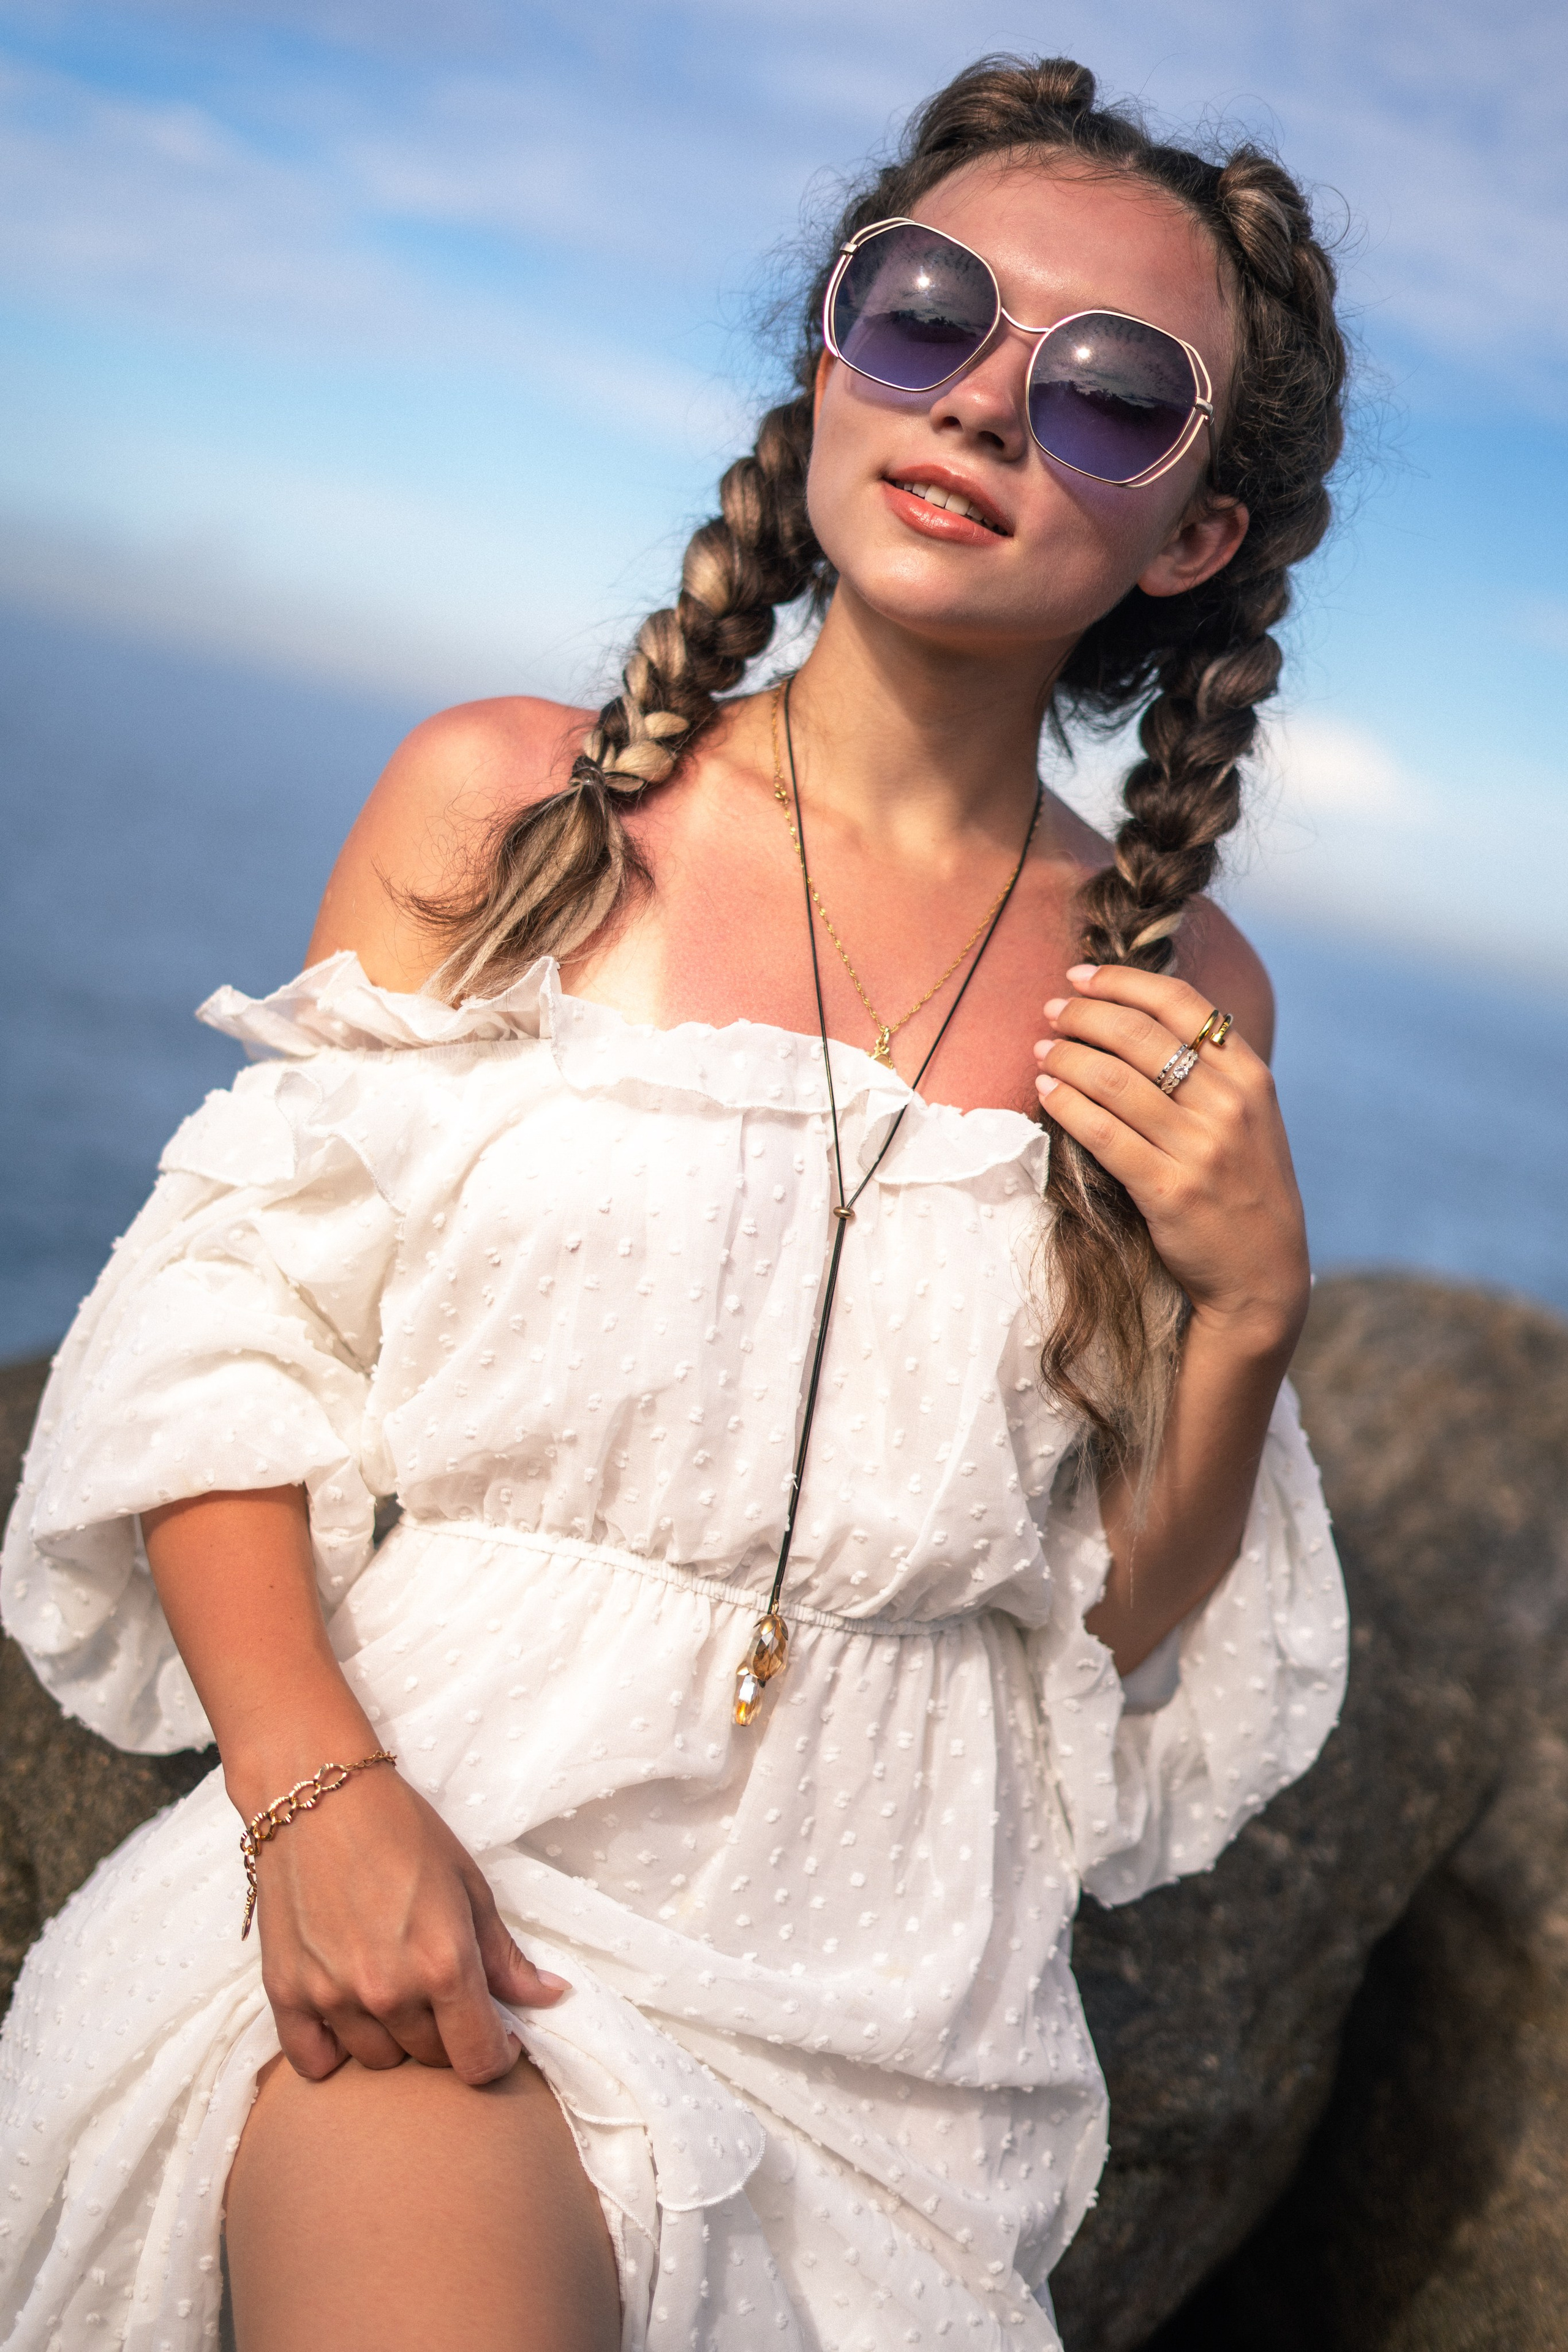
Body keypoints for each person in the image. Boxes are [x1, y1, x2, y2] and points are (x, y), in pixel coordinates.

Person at [0, 54, 1350, 2352]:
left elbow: (1101, 1644)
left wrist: (1240, 1318)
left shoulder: (1178, 986)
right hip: (451, 1862)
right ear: (832, 351)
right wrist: (310, 1797)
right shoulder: (511, 808)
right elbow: (227, 1345)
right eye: (926, 310)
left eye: (1113, 392)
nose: (990, 408)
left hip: (895, 1999)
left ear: (1193, 529)